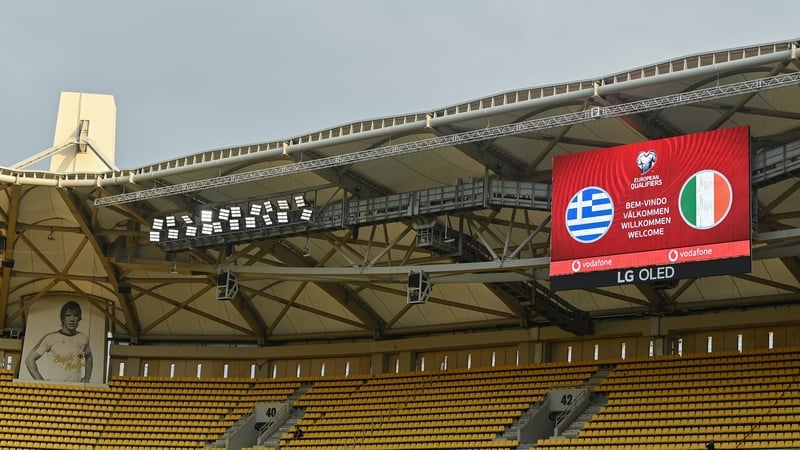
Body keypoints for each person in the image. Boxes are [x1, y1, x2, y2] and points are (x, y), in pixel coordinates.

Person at [24, 301, 93, 383]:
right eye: (68, 315)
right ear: (62, 318)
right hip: (55, 389)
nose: (72, 319)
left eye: (75, 315)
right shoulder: (50, 338)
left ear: (79, 318)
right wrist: (41, 382)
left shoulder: (83, 338)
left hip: (75, 389)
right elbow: (29, 360)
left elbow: (89, 357)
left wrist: (87, 377)